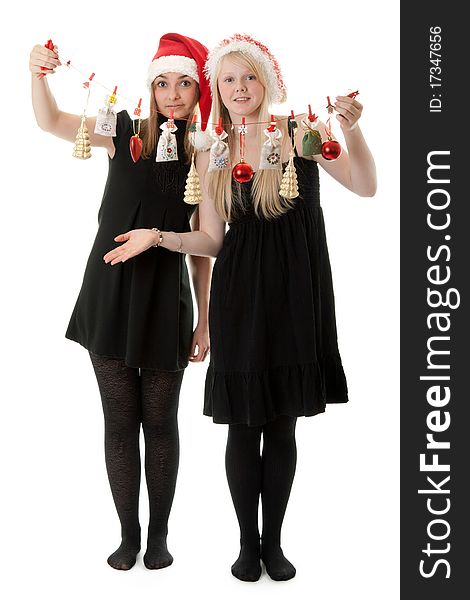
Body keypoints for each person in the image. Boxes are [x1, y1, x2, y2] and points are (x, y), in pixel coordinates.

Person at [103, 33, 377, 581]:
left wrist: (352, 128)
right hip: (241, 298)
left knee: (281, 426)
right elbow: (211, 240)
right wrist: (159, 236)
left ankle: (273, 542)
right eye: (227, 80)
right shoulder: (212, 151)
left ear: (267, 81)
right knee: (243, 427)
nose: (239, 88)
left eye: (248, 76)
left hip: (299, 295)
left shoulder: (301, 134)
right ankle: (246, 546)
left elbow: (366, 185)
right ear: (218, 91)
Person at [29, 32, 213, 571]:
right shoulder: (123, 131)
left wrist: (205, 318)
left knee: (160, 423)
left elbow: (204, 246)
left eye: (184, 83)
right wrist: (36, 74)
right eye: (162, 83)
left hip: (164, 299)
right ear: (150, 88)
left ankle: (159, 537)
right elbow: (51, 122)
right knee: (118, 421)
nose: (172, 94)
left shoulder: (206, 154)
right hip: (108, 294)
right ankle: (127, 536)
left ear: (199, 91)